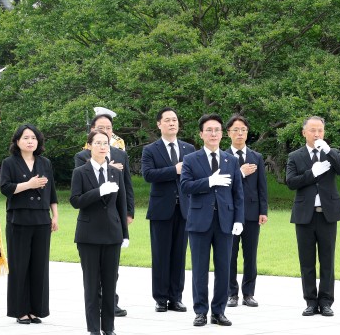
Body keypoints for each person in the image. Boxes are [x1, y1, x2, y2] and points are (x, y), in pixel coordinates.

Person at [181, 114, 244, 327]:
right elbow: (186, 187)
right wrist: (209, 181)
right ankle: (200, 311)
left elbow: (238, 193)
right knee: (199, 269)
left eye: (217, 130)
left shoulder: (231, 160)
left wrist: (239, 219)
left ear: (221, 134)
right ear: (201, 134)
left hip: (225, 221)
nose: (213, 134)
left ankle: (219, 311)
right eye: (209, 130)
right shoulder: (191, 159)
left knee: (224, 268)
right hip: (199, 220)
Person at [285, 116, 340, 317]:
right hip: (305, 215)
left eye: (320, 130)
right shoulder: (295, 156)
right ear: (304, 132)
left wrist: (329, 152)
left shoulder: (331, 153)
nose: (316, 134)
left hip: (327, 215)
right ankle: (310, 301)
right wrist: (311, 173)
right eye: (312, 130)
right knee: (307, 261)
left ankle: (326, 301)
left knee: (327, 260)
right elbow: (291, 182)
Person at [74, 112, 135, 317]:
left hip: (113, 220)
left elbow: (126, 187)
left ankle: (111, 302)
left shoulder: (121, 155)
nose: (105, 132)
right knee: (93, 272)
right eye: (100, 128)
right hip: (92, 223)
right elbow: (78, 193)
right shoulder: (82, 156)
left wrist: (128, 212)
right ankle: (96, 304)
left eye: (108, 129)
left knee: (112, 269)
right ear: (92, 132)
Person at [0, 124, 58, 324]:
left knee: (39, 266)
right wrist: (28, 185)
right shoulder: (9, 163)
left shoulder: (45, 163)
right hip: (19, 220)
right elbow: (5, 188)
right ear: (17, 141)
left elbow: (52, 192)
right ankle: (20, 311)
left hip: (42, 220)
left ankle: (36, 310)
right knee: (19, 265)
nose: (30, 141)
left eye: (33, 138)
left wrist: (55, 216)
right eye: (25, 138)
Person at [141, 107, 196, 313]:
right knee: (161, 254)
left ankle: (176, 297)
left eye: (175, 119)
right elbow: (148, 174)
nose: (172, 123)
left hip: (184, 209)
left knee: (179, 254)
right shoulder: (151, 150)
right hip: (161, 209)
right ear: (159, 124)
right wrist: (174, 170)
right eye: (167, 120)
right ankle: (160, 298)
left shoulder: (189, 149)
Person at [225, 114, 268, 308]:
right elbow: (223, 184)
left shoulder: (256, 157)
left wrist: (263, 210)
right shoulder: (223, 156)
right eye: (235, 130)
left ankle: (249, 293)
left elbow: (262, 187)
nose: (240, 133)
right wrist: (240, 172)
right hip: (229, 212)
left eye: (243, 129)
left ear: (247, 132)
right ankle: (231, 293)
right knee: (229, 254)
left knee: (250, 255)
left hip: (251, 212)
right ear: (228, 133)